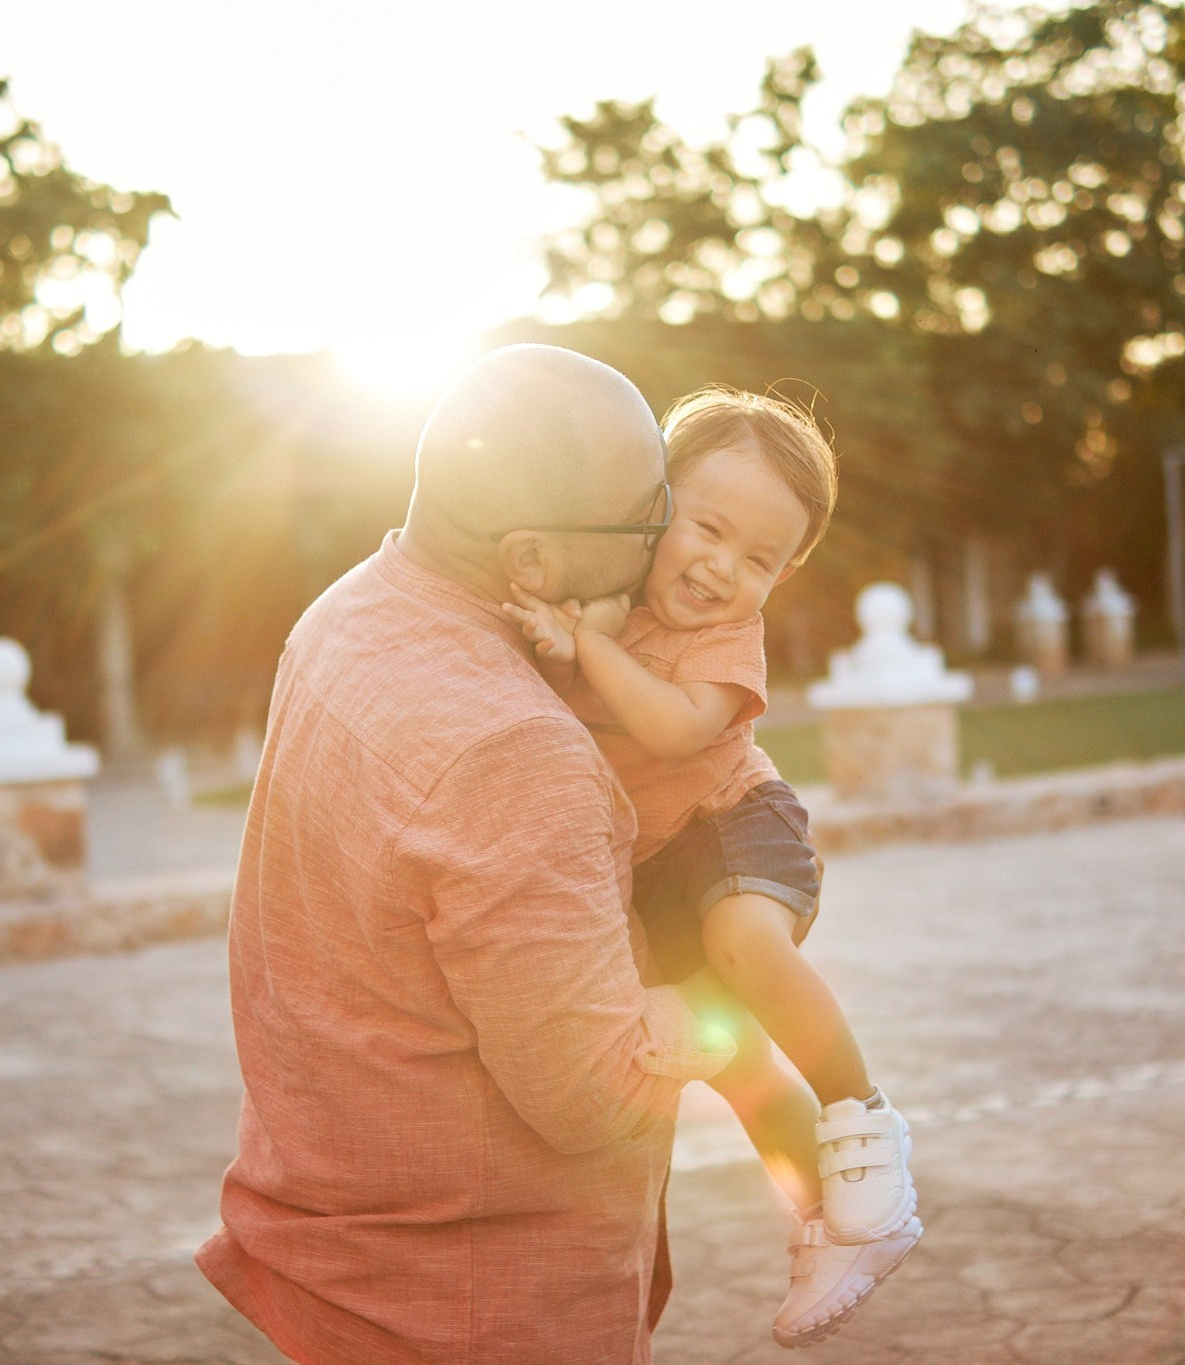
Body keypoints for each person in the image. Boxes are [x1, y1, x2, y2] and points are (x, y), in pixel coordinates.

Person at [194, 345, 735, 1364]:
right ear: (528, 563)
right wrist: (725, 991)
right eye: (646, 519)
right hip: (474, 1301)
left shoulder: (347, 611)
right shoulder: (513, 750)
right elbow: (588, 1095)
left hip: (348, 1245)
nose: (670, 544)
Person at [501, 388, 922, 1349]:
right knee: (727, 1059)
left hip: (731, 823)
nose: (722, 566)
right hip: (648, 871)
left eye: (760, 560)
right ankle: (828, 1219)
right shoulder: (606, 592)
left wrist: (591, 646)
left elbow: (677, 726)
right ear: (656, 503)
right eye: (709, 527)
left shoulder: (726, 639)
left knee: (742, 946)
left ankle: (865, 1120)